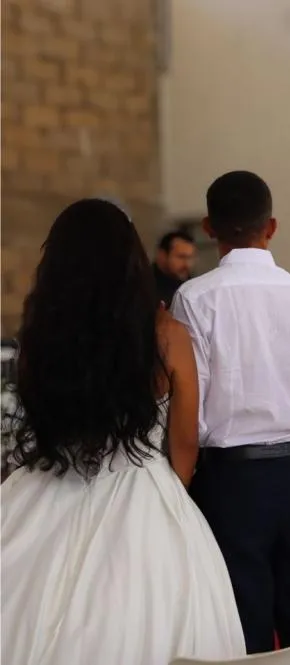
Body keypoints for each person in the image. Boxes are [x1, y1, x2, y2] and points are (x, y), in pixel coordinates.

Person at [2, 199, 245, 665]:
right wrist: (169, 499)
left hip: (46, 485)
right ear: (134, 261)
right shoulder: (167, 334)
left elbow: (35, 418)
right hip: (144, 486)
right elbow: (185, 442)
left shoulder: (40, 336)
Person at [171, 172, 290, 653]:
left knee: (242, 619)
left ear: (208, 227)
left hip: (231, 480)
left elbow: (190, 405)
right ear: (272, 226)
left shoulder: (195, 298)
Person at [153, 229, 197, 308]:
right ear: (163, 255)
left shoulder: (193, 285)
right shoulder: (144, 286)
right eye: (181, 257)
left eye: (190, 257)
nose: (187, 264)